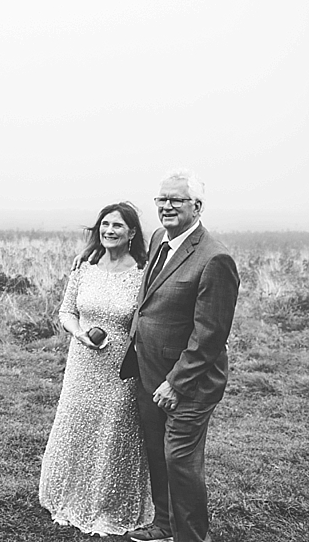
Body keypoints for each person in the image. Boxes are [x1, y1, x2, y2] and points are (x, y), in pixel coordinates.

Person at [122, 170, 240, 542]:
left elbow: (210, 336)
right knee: (157, 452)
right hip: (148, 371)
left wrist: (175, 383)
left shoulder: (215, 258)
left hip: (190, 383)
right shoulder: (160, 238)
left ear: (197, 206)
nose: (166, 207)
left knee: (180, 461)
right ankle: (164, 525)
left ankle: (192, 537)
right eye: (161, 200)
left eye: (176, 200)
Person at [38, 202, 154, 535]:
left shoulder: (143, 272)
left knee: (113, 432)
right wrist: (79, 334)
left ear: (132, 233)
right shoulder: (85, 266)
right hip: (82, 363)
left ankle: (110, 503)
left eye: (117, 226)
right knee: (78, 426)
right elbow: (66, 312)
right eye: (105, 224)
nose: (109, 231)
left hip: (122, 369)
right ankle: (67, 495)